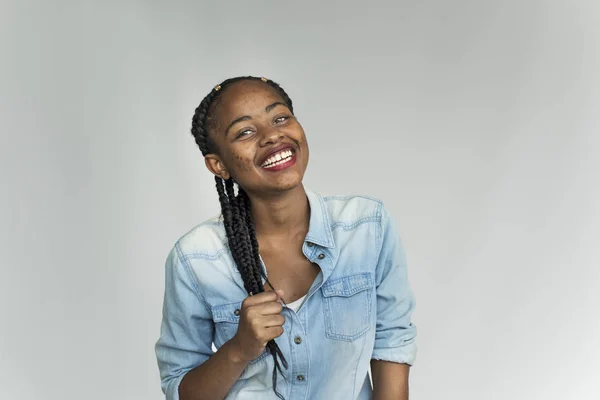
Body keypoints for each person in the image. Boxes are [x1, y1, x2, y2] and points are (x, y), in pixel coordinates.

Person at [154, 76, 417, 400]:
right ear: (218, 164)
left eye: (280, 118)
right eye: (245, 132)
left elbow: (392, 344)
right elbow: (180, 391)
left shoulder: (366, 227)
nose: (272, 135)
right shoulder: (195, 258)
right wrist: (239, 349)